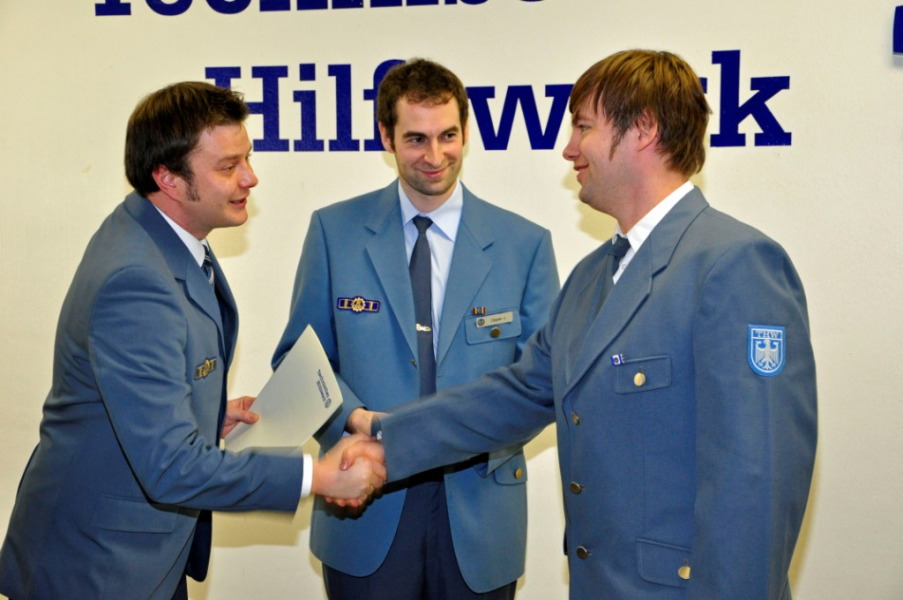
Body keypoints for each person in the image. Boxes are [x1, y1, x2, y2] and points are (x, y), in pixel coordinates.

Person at [349, 49, 818, 599]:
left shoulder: (734, 265)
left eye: (584, 127)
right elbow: (515, 395)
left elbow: (755, 486)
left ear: (643, 129)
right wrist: (387, 438)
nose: (569, 148)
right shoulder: (592, 277)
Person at [0, 81, 384, 600]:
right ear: (168, 179)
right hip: (98, 568)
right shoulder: (136, 279)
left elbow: (139, 394)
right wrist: (316, 477)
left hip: (141, 552)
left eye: (247, 158)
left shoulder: (162, 236)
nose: (250, 177)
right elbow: (170, 466)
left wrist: (204, 415)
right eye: (228, 167)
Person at [272, 58, 559, 599]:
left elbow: (541, 383)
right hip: (364, 508)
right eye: (416, 139)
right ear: (386, 137)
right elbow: (298, 360)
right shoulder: (334, 232)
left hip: (479, 512)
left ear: (466, 131)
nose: (434, 156)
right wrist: (353, 420)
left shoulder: (525, 245)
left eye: (448, 135)